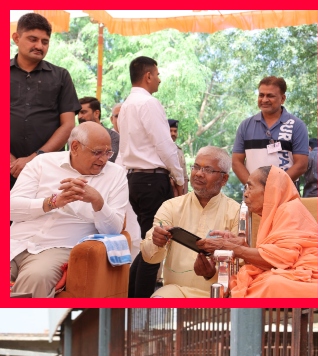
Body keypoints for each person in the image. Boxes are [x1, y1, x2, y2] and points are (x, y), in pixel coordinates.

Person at [10, 122, 130, 298]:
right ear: (75, 147)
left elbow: (115, 231)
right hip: (15, 241)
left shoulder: (116, 175)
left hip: (57, 248)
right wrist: (50, 203)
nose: (104, 159)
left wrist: (98, 202)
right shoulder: (43, 163)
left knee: (36, 278)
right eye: (97, 152)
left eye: (108, 152)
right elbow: (10, 208)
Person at [116, 55, 187, 299]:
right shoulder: (149, 103)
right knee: (155, 247)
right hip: (152, 180)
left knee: (149, 245)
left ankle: (131, 299)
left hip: (135, 180)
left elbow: (125, 150)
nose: (159, 79)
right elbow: (165, 145)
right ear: (148, 76)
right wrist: (179, 178)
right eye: (157, 74)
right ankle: (138, 305)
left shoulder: (126, 105)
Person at [197, 166, 318, 298]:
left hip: (310, 274)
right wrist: (242, 246)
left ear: (270, 190)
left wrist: (232, 248)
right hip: (286, 272)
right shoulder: (273, 215)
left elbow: (281, 259)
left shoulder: (290, 209)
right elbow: (273, 256)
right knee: (255, 282)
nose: (245, 194)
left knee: (272, 284)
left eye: (250, 187)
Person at [143, 147, 241, 298]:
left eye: (207, 169)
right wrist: (157, 242)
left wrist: (212, 273)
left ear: (224, 179)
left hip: (218, 294)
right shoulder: (171, 206)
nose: (199, 173)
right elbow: (149, 257)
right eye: (196, 167)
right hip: (176, 291)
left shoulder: (236, 212)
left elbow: (240, 265)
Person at [10, 12, 79, 189]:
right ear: (16, 38)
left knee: (46, 214)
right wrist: (9, 161)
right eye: (33, 39)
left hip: (48, 168)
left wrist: (35, 158)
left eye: (45, 41)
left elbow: (68, 125)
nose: (39, 46)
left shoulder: (61, 76)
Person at [231, 76, 309, 186]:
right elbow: (236, 162)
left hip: (286, 195)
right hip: (253, 195)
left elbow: (301, 165)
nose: (264, 100)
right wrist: (254, 187)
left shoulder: (297, 125)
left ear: (282, 99)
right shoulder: (245, 125)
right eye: (261, 95)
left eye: (270, 96)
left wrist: (273, 187)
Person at [77, 96, 119, 162]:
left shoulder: (113, 136)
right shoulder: (75, 136)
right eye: (78, 113)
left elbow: (108, 160)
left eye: (83, 112)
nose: (79, 117)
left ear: (96, 113)